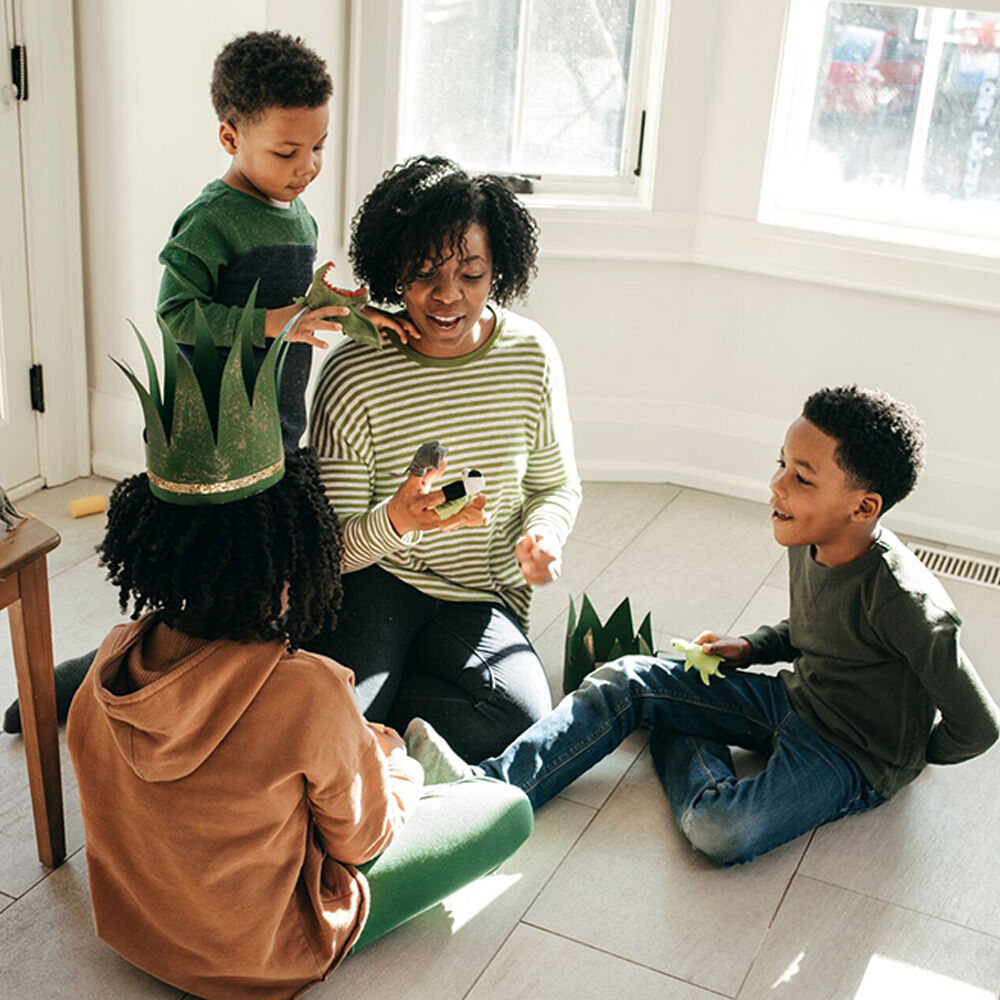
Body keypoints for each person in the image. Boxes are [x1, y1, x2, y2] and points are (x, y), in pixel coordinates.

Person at [67, 304, 532, 1000]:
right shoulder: (307, 690)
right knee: (507, 810)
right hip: (264, 957)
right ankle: (415, 761)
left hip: (137, 932)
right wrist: (395, 767)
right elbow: (365, 841)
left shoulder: (107, 665)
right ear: (289, 562)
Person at [1, 30, 415, 735]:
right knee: (203, 601)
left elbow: (300, 309)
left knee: (259, 593)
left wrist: (356, 316)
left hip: (275, 432)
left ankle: (229, 701)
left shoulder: (298, 212)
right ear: (230, 136)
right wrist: (270, 322)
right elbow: (176, 315)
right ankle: (95, 684)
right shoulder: (212, 219)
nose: (307, 167)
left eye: (318, 147)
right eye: (287, 152)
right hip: (215, 446)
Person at [406, 386, 1000, 866]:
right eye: (781, 464)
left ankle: (678, 727)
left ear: (863, 507)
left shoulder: (910, 605)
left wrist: (906, 759)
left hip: (849, 754)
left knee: (719, 828)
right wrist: (753, 646)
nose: (777, 485)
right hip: (795, 698)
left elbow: (978, 725)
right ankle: (488, 791)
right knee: (628, 677)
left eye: (802, 478)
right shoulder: (810, 535)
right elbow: (818, 624)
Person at [308, 155, 582, 762]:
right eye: (423, 273)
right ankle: (352, 703)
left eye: (471, 274)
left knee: (519, 719)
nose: (448, 295)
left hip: (477, 596)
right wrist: (397, 520)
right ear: (394, 269)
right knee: (337, 733)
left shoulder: (530, 356)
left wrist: (544, 534)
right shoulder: (355, 372)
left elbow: (556, 485)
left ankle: (356, 702)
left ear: (497, 270)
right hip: (376, 582)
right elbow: (330, 552)